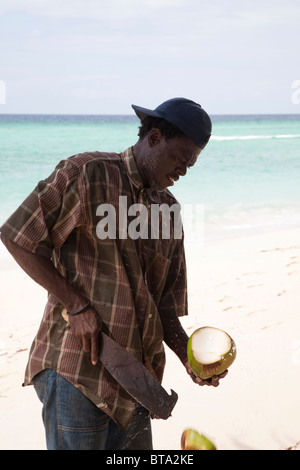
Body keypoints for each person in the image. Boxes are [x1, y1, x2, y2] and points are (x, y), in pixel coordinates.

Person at [0, 97, 226, 450]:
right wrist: (75, 305)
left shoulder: (169, 211)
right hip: (77, 372)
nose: (184, 170)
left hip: (137, 382)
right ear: (153, 138)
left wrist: (190, 359)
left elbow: (164, 304)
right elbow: (17, 236)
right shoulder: (87, 173)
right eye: (181, 159)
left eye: (192, 164)